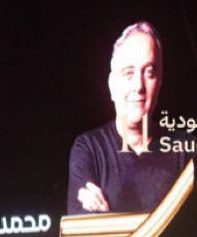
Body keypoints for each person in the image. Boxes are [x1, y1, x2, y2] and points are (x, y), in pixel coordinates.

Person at [66, 21, 188, 215]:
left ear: (159, 83)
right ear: (112, 84)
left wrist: (106, 216)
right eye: (128, 73)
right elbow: (82, 226)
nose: (138, 86)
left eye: (149, 73)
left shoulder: (185, 150)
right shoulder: (89, 148)